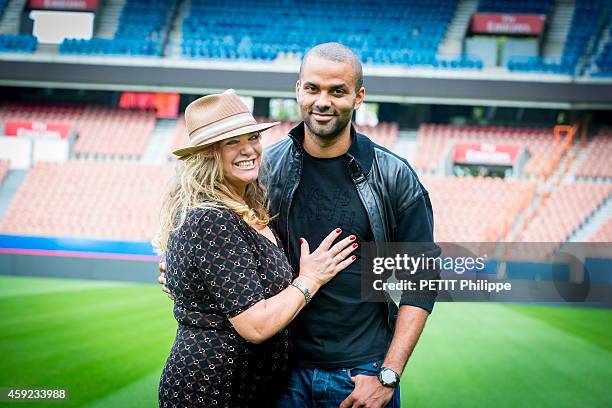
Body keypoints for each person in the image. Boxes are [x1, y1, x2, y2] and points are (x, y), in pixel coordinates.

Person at [160, 42, 439, 408]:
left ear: (359, 97)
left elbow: (421, 280)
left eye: (337, 91)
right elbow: (213, 234)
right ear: (298, 90)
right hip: (279, 376)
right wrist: (182, 272)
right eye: (313, 88)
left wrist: (388, 375)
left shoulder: (392, 174)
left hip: (360, 374)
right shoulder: (265, 170)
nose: (322, 101)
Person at [155, 89, 358, 408]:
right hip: (210, 395)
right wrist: (311, 279)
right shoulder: (211, 219)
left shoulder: (244, 207)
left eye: (252, 137)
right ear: (207, 153)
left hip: (249, 394)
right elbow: (256, 325)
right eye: (231, 142)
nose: (248, 149)